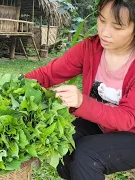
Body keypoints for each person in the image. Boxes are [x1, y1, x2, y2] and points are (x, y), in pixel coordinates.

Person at [24, 0, 135, 179]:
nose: (105, 32)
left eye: (118, 27)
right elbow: (48, 74)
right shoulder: (91, 48)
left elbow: (128, 118)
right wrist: (14, 87)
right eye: (101, 20)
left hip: (131, 131)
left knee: (87, 154)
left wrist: (83, 102)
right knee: (64, 141)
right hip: (102, 125)